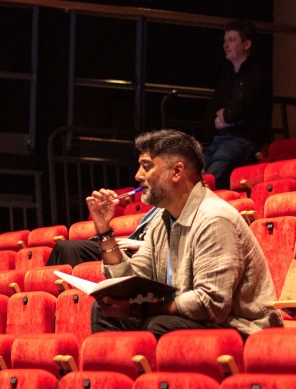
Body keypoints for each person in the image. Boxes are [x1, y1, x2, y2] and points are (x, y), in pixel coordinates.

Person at [87, 128, 282, 339]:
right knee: (104, 311)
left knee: (159, 325)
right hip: (190, 322)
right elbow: (130, 281)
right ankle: (122, 371)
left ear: (177, 172)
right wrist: (104, 229)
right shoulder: (162, 221)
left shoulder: (215, 219)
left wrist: (137, 310)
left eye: (147, 167)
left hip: (240, 330)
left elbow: (210, 305)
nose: (138, 176)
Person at [203, 19, 272, 189]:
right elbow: (208, 117)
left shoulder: (258, 75)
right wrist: (225, 116)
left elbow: (238, 112)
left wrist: (226, 115)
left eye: (232, 40)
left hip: (243, 140)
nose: (226, 45)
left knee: (209, 179)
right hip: (220, 141)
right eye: (225, 40)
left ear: (246, 44)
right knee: (191, 173)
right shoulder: (227, 78)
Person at [47, 206, 160, 266]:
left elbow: (172, 246)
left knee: (70, 247)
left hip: (140, 251)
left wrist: (139, 244)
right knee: (61, 246)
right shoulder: (158, 209)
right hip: (131, 245)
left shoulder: (173, 211)